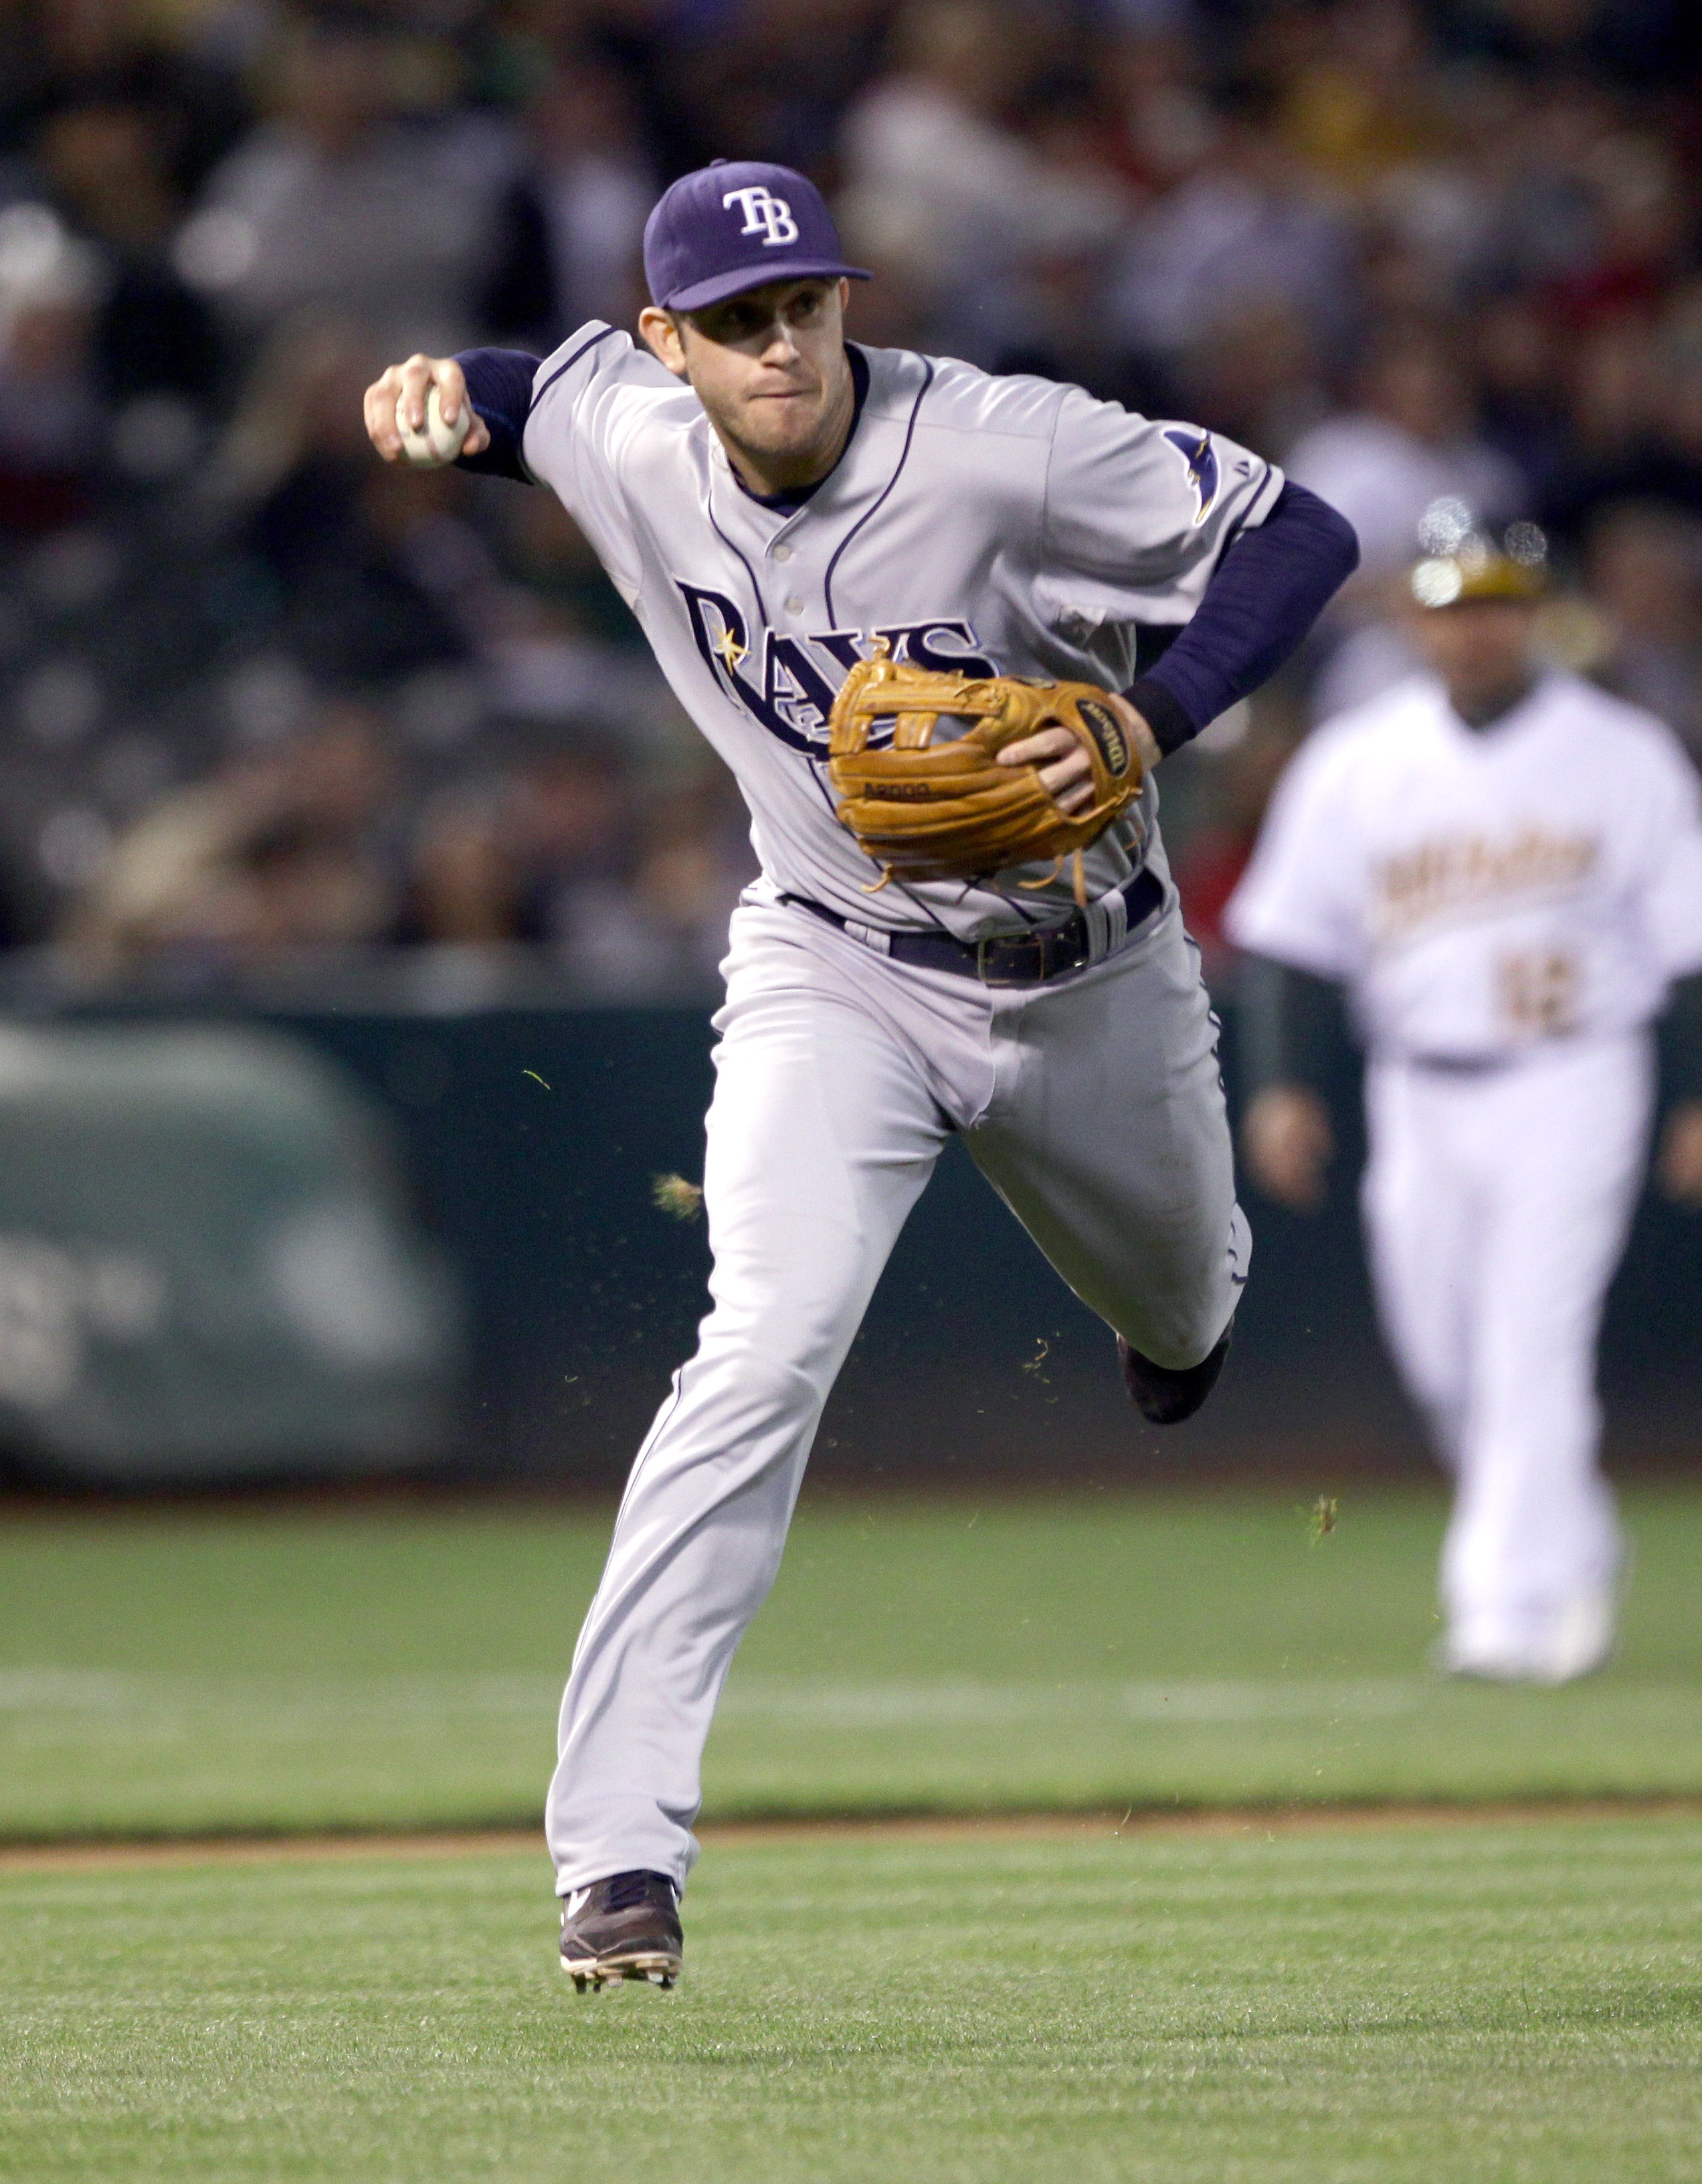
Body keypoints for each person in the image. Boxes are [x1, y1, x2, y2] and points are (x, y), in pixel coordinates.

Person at [363, 159, 1357, 1987]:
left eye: (804, 305)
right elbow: (525, 399)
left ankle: (1175, 1331)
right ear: (669, 341)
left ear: (846, 301)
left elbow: (1304, 537)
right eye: (733, 324)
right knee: (765, 1342)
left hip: (1096, 980)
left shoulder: (1003, 448)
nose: (778, 348)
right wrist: (442, 393)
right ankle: (617, 1862)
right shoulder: (629, 425)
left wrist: (1152, 712)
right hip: (837, 971)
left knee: (1189, 1294)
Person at [1226, 532, 1702, 1688]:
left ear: (1536, 612)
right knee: (1445, 1355)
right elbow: (1290, 942)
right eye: (1451, 606)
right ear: (1414, 620)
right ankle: (1575, 1539)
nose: (1474, 627)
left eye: (1497, 603)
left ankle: (1507, 1611)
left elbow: (1688, 948)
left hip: (1576, 1072)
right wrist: (1282, 1084)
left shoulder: (1622, 753)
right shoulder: (1359, 759)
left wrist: (1693, 1098)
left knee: (1530, 1338)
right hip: (1419, 1083)